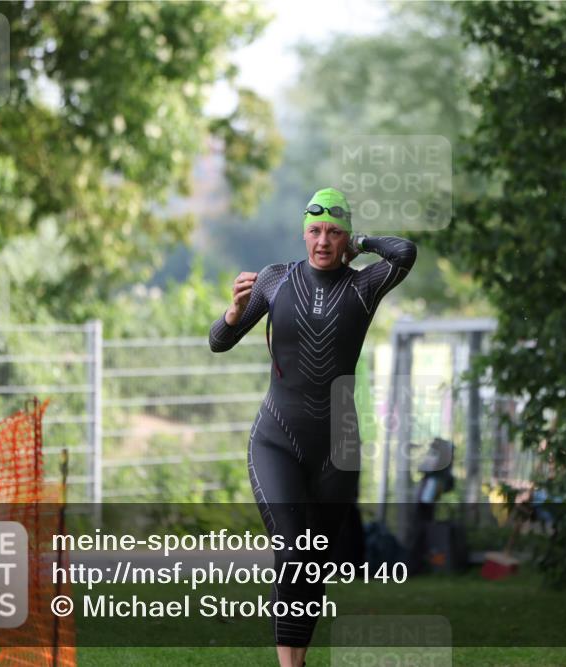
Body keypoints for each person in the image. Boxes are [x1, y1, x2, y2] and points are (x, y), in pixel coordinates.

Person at [210, 187, 416, 667]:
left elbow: (404, 252)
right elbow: (219, 341)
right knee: (293, 548)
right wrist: (233, 313)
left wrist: (362, 242)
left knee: (314, 562)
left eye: (334, 232)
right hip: (276, 440)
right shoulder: (275, 280)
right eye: (315, 230)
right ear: (303, 233)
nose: (323, 241)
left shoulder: (364, 287)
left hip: (338, 447)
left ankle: (296, 661)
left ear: (345, 238)